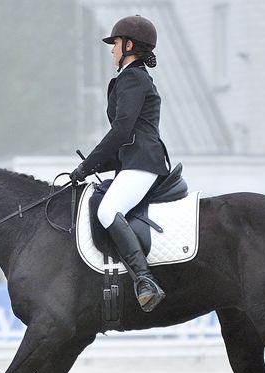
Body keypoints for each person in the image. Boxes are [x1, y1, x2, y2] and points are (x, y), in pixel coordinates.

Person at [70, 15, 170, 313]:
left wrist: (87, 166)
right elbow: (126, 138)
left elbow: (121, 131)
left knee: (107, 210)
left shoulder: (133, 78)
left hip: (143, 162)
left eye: (115, 44)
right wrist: (92, 168)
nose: (112, 50)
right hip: (135, 160)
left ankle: (145, 280)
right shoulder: (133, 78)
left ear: (128, 45)